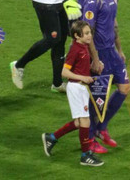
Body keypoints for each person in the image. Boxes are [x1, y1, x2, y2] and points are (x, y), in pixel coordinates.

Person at [41, 21, 103, 166]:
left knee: (78, 122)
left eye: (89, 33)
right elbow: (64, 71)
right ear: (77, 36)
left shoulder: (84, 46)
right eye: (86, 33)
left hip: (81, 88)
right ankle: (85, 155)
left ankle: (51, 137)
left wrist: (92, 70)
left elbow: (80, 67)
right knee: (85, 121)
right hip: (76, 88)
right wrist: (83, 78)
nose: (89, 36)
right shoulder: (75, 49)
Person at [82, 0, 128, 152]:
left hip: (112, 52)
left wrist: (120, 49)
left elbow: (114, 24)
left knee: (125, 88)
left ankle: (102, 127)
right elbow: (87, 32)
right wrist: (94, 59)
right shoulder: (93, 0)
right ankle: (90, 139)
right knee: (98, 98)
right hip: (99, 53)